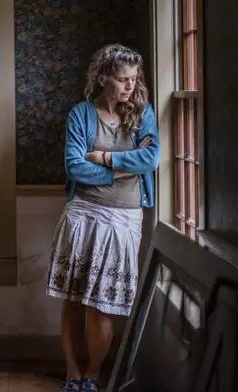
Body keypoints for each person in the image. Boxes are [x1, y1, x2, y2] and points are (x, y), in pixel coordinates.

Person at [46, 44, 160, 392]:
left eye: (133, 79)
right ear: (102, 78)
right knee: (75, 301)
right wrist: (124, 170)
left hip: (124, 218)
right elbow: (75, 167)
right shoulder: (81, 114)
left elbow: (150, 160)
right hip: (83, 213)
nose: (129, 86)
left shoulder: (143, 114)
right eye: (123, 79)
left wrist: (105, 159)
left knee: (103, 305)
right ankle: (72, 374)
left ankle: (92, 376)